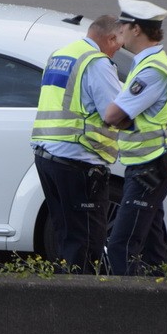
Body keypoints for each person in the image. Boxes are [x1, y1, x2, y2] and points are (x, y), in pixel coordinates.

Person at [31, 14, 124, 273]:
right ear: (110, 37)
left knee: (65, 236)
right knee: (86, 241)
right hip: (78, 161)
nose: (119, 49)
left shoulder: (61, 55)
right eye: (119, 43)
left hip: (47, 156)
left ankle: (65, 295)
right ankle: (80, 303)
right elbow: (113, 113)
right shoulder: (97, 63)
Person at [104, 0, 167, 276]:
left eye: (122, 25)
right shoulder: (148, 64)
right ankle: (159, 298)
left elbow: (112, 115)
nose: (118, 30)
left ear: (136, 29)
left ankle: (126, 310)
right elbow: (125, 114)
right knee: (152, 245)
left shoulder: (151, 71)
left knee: (120, 246)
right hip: (148, 165)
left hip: (150, 168)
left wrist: (121, 116)